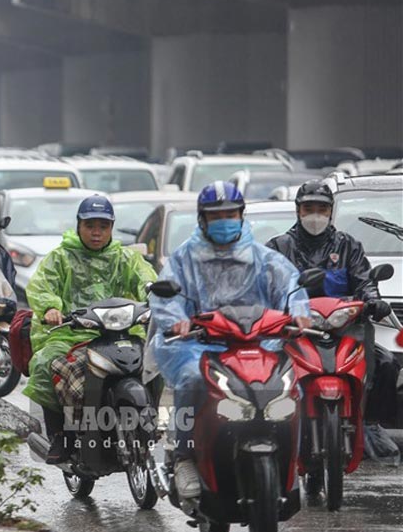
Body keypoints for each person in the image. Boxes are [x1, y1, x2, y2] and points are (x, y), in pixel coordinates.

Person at [149, 181, 310, 499]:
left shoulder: (264, 258)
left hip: (257, 344)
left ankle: (294, 462)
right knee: (193, 380)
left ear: (241, 215)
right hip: (199, 345)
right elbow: (167, 299)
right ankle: (184, 455)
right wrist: (176, 321)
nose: (225, 220)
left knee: (293, 386)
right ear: (203, 219)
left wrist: (299, 312)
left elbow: (291, 286)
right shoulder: (183, 260)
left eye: (231, 214)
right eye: (217, 215)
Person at [22, 194, 157, 463]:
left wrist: (154, 295)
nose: (97, 232)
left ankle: (148, 420)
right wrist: (50, 307)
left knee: (155, 359)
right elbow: (41, 286)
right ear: (79, 225)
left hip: (121, 331)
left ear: (112, 228)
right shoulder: (60, 257)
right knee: (46, 363)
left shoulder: (124, 258)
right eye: (90, 225)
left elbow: (147, 279)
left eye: (103, 226)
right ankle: (61, 434)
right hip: (72, 333)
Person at [267, 179, 398, 456]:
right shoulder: (279, 247)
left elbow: (364, 282)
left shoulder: (348, 246)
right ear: (298, 211)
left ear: (330, 211)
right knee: (265, 372)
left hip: (344, 328)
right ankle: (270, 425)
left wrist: (373, 301)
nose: (315, 215)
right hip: (296, 331)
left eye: (321, 209)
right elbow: (267, 286)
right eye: (309, 208)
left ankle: (370, 422)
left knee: (386, 363)